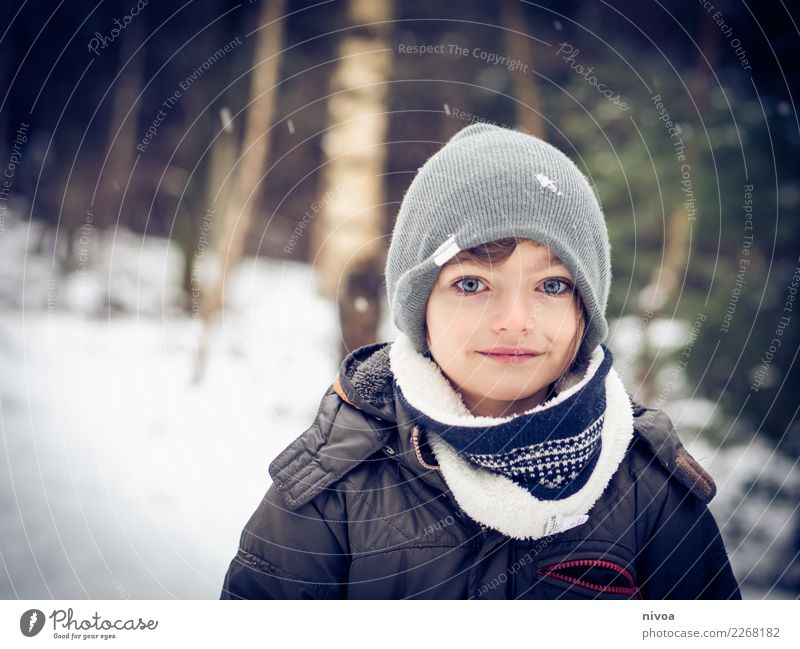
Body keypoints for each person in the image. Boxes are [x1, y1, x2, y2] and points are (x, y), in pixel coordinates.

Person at [220, 123, 741, 599]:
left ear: (586, 310)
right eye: (471, 284)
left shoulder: (649, 492)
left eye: (552, 285)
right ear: (420, 307)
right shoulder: (335, 485)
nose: (514, 319)